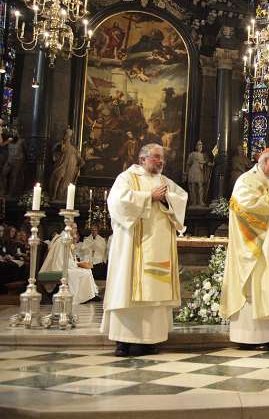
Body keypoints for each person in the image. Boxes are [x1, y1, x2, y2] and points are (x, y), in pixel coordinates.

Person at [102, 144, 188, 357]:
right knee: (127, 290)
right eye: (156, 157)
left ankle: (149, 340)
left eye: (162, 158)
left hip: (159, 247)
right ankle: (123, 341)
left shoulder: (165, 182)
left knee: (154, 294)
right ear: (143, 159)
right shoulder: (127, 178)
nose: (161, 161)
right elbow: (116, 203)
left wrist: (167, 199)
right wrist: (149, 196)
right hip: (133, 247)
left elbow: (181, 198)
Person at [220, 148, 269, 351]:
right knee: (257, 286)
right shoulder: (246, 180)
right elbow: (242, 206)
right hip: (255, 247)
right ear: (264, 161)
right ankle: (251, 337)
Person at [39, 223, 98, 305]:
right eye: (75, 228)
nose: (76, 230)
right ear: (69, 228)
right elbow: (60, 260)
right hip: (59, 267)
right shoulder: (63, 240)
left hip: (66, 266)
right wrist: (77, 264)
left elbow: (68, 258)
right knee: (83, 273)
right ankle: (78, 297)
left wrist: (76, 263)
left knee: (87, 271)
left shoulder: (66, 238)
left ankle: (90, 295)